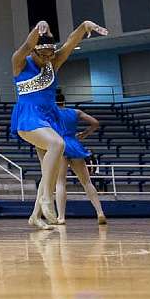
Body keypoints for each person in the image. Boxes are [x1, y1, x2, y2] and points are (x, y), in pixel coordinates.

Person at [10, 18, 107, 229]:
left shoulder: (52, 63)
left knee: (49, 169)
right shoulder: (20, 62)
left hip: (49, 119)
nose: (47, 59)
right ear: (34, 52)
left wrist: (84, 26)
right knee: (58, 145)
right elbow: (26, 44)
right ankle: (47, 198)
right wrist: (40, 25)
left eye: (50, 54)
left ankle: (35, 216)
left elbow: (70, 43)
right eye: (42, 55)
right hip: (29, 117)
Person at [55, 94, 108, 224]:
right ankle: (100, 212)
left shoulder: (50, 112)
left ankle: (61, 217)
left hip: (59, 144)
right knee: (86, 182)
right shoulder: (76, 112)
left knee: (60, 182)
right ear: (64, 101)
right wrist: (85, 134)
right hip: (75, 144)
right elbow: (95, 123)